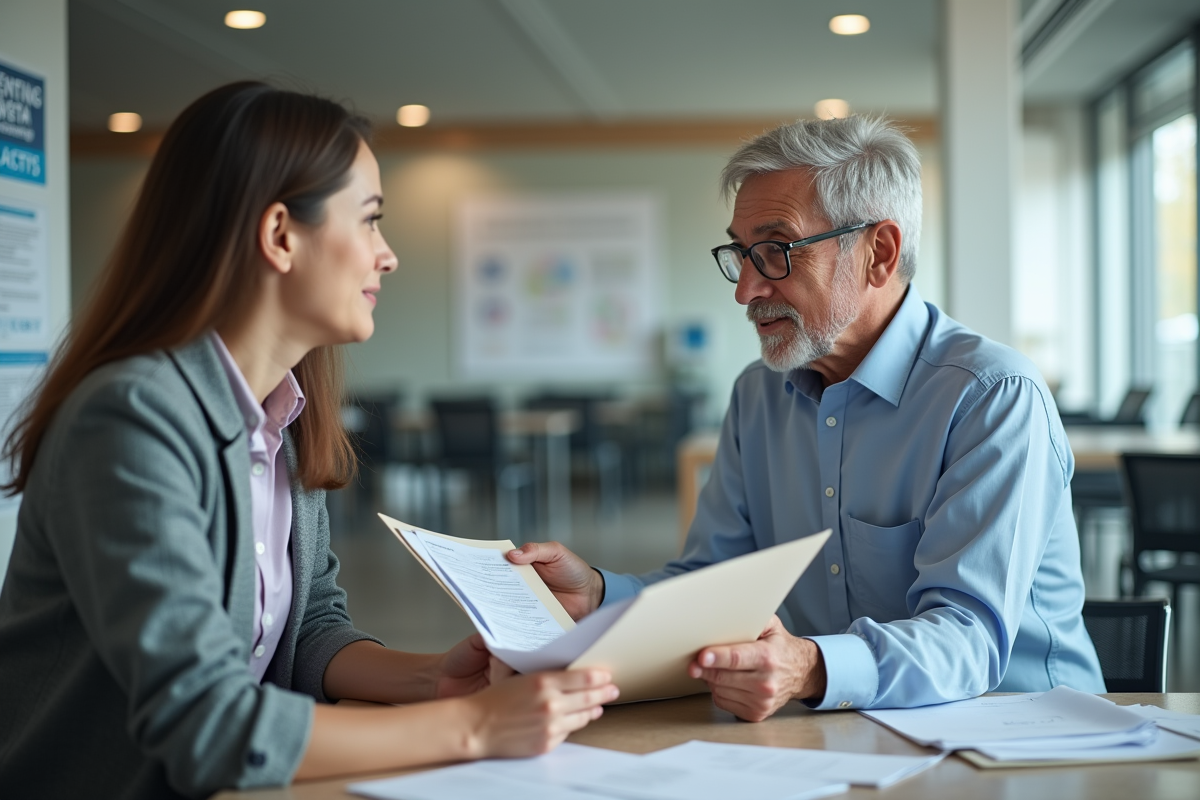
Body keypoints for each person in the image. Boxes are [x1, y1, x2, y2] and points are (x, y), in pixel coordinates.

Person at [0, 82, 616, 799]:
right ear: (281, 236)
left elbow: (309, 628)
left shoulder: (280, 415)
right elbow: (206, 725)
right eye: (371, 221)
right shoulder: (131, 420)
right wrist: (477, 727)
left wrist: (437, 680)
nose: (387, 256)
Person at [508, 115, 1105, 721]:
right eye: (741, 254)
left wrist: (811, 667)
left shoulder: (991, 397)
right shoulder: (756, 396)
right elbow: (715, 584)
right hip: (842, 730)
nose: (745, 289)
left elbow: (969, 637)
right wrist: (603, 594)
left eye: (774, 252)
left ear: (880, 252)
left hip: (1021, 733)